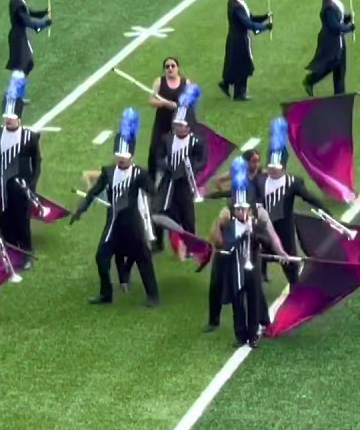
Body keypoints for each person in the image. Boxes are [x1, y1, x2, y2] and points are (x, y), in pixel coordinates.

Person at [72, 108, 159, 307]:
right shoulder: (109, 171)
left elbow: (153, 191)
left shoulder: (139, 174)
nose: (121, 159)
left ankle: (153, 295)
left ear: (131, 155)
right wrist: (81, 209)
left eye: (124, 156)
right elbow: (95, 191)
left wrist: (159, 205)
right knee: (101, 258)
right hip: (112, 223)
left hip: (133, 224)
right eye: (118, 155)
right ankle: (106, 294)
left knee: (144, 260)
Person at [210, 158, 292, 347]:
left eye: (244, 209)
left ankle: (253, 336)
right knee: (238, 304)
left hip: (252, 267)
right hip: (235, 267)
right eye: (238, 209)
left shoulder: (258, 220)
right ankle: (240, 336)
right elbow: (220, 240)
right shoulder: (228, 221)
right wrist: (224, 237)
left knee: (254, 302)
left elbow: (268, 239)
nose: (241, 212)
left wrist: (253, 232)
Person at [254, 116, 327, 285]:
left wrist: (324, 210)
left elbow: (308, 197)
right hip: (263, 224)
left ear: (284, 168)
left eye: (276, 168)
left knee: (289, 259)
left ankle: (294, 286)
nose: (272, 171)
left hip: (284, 226)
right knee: (259, 252)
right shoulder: (261, 180)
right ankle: (262, 273)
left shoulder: (292, 182)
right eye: (270, 167)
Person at [0, 73, 42, 258]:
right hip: (3, 187)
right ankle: (13, 254)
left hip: (22, 187)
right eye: (6, 117)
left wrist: (32, 185)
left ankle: (27, 253)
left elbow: (37, 162)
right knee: (6, 221)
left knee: (22, 222)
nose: (8, 120)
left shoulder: (30, 137)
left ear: (19, 117)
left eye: (11, 117)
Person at [154, 85, 206, 254]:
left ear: (189, 126)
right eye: (176, 124)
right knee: (159, 210)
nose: (178, 127)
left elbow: (203, 161)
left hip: (185, 182)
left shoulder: (196, 141)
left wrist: (190, 168)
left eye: (181, 125)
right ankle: (157, 243)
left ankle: (192, 246)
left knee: (187, 216)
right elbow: (159, 157)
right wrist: (165, 166)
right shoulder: (167, 139)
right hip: (168, 180)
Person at [217, 0, 272, 101]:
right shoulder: (236, 6)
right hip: (239, 40)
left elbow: (251, 17)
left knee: (234, 64)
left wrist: (264, 17)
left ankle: (226, 83)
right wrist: (265, 27)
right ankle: (240, 94)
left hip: (236, 38)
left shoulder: (237, 2)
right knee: (244, 66)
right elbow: (248, 23)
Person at [302, 0, 354, 96]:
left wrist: (347, 19)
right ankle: (310, 80)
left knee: (340, 69)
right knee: (330, 66)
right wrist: (348, 28)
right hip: (331, 41)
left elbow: (339, 20)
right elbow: (334, 26)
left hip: (338, 40)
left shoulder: (332, 2)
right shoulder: (329, 7)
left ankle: (340, 95)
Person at [1, 0, 52, 90]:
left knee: (28, 63)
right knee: (22, 65)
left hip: (20, 35)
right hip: (18, 37)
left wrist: (43, 13)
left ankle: (18, 91)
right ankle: (13, 94)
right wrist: (44, 24)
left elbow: (29, 12)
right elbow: (28, 21)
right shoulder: (17, 3)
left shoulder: (19, 1)